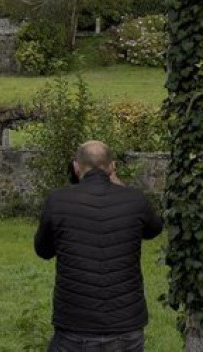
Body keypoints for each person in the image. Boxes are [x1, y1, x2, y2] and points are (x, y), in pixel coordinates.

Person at [35, 140, 163, 351]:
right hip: (126, 325)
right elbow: (154, 229)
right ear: (112, 167)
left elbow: (43, 250)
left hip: (74, 324)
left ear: (76, 167)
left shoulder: (57, 200)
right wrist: (120, 186)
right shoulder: (135, 200)